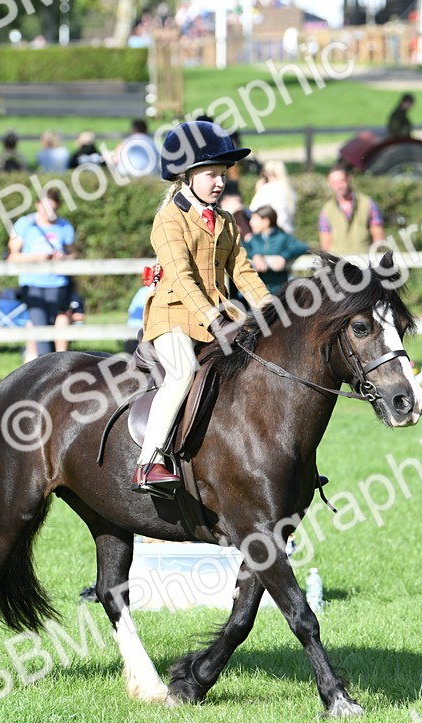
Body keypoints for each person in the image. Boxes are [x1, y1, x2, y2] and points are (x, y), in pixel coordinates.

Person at [133, 120, 270, 493]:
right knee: (181, 373)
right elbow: (180, 277)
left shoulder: (225, 222)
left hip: (220, 318)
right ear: (186, 176)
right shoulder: (168, 220)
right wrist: (212, 317)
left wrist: (272, 308)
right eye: (211, 174)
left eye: (222, 174)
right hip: (173, 317)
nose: (220, 182)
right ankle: (149, 463)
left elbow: (242, 271)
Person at [9, 188, 77, 360]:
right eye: (45, 208)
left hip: (58, 284)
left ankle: (54, 365)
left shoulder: (65, 226)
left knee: (58, 323)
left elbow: (73, 255)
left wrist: (63, 257)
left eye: (53, 209)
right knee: (40, 327)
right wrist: (37, 258)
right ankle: (44, 366)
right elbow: (13, 256)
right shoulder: (24, 224)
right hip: (33, 283)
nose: (49, 213)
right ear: (37, 205)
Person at [318, 165, 384, 255]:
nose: (338, 186)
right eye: (334, 183)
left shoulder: (367, 203)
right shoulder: (327, 210)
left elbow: (378, 237)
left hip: (364, 260)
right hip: (339, 264)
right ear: (329, 183)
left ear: (349, 179)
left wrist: (377, 259)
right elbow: (325, 244)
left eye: (341, 181)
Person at [244, 206, 309, 296]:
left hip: (279, 291)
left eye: (254, 219)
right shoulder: (254, 239)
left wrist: (283, 256)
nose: (250, 222)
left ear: (266, 221)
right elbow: (240, 248)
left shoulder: (283, 237)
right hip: (258, 291)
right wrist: (255, 255)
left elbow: (302, 246)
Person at [248, 159, 297, 234]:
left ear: (266, 173)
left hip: (271, 233)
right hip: (287, 231)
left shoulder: (266, 189)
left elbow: (253, 209)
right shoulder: (289, 190)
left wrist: (258, 191)